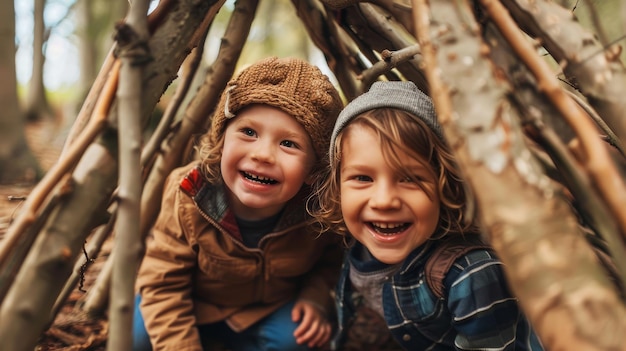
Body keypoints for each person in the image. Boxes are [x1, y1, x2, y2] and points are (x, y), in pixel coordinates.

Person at [310, 81, 544, 350]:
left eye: (409, 179)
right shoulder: (355, 246)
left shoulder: (470, 274)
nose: (384, 201)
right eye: (363, 178)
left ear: (446, 186)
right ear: (337, 187)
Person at [132, 56, 345, 351]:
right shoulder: (190, 192)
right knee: (140, 338)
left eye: (288, 144)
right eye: (248, 132)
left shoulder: (317, 210)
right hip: (193, 302)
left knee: (299, 340)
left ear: (313, 170)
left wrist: (315, 297)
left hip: (267, 309)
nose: (263, 154)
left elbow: (332, 262)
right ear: (221, 142)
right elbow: (164, 283)